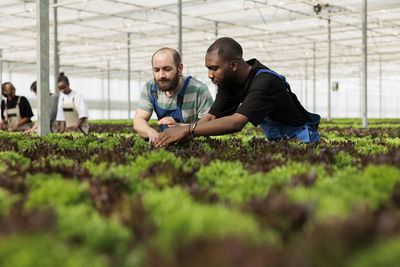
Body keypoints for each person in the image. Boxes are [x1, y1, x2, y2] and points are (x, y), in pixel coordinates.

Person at [155, 37, 321, 147]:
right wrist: (183, 129)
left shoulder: (265, 82)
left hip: (303, 137)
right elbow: (213, 117)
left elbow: (236, 122)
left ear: (233, 65)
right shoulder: (229, 82)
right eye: (208, 69)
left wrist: (188, 130)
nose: (209, 75)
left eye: (214, 68)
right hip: (278, 139)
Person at [133, 47, 213, 144]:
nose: (161, 75)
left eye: (167, 69)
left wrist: (180, 127)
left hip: (197, 145)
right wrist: (151, 132)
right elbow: (138, 120)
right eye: (156, 70)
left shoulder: (199, 90)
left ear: (180, 68)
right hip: (169, 145)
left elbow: (209, 125)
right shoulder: (150, 88)